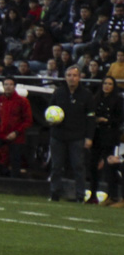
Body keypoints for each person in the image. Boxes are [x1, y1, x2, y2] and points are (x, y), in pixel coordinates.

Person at [48, 66, 94, 202]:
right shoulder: (58, 92)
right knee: (56, 166)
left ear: (79, 77)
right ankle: (54, 193)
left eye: (74, 75)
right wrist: (51, 121)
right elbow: (50, 110)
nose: (72, 78)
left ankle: (80, 195)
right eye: (69, 75)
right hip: (58, 135)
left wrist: (89, 137)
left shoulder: (86, 94)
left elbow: (91, 118)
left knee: (78, 166)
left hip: (77, 137)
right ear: (65, 77)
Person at [0, 76, 32, 178]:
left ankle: (13, 183)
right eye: (6, 84)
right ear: (3, 86)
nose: (8, 87)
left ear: (14, 86)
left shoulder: (22, 101)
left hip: (17, 137)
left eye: (11, 84)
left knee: (15, 160)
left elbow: (28, 120)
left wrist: (16, 132)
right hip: (1, 134)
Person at [87, 76, 123, 202]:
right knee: (93, 165)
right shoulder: (96, 98)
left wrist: (107, 120)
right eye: (105, 83)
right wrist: (96, 120)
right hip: (96, 135)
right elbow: (90, 115)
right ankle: (93, 194)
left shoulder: (118, 100)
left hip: (109, 136)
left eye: (110, 84)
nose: (106, 86)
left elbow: (120, 119)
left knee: (109, 166)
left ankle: (112, 195)